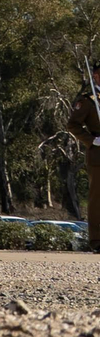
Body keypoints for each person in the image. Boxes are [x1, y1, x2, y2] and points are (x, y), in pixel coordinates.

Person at [70, 77, 100, 253]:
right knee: (97, 200)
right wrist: (92, 140)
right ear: (96, 76)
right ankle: (97, 241)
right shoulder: (89, 101)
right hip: (98, 154)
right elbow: (72, 125)